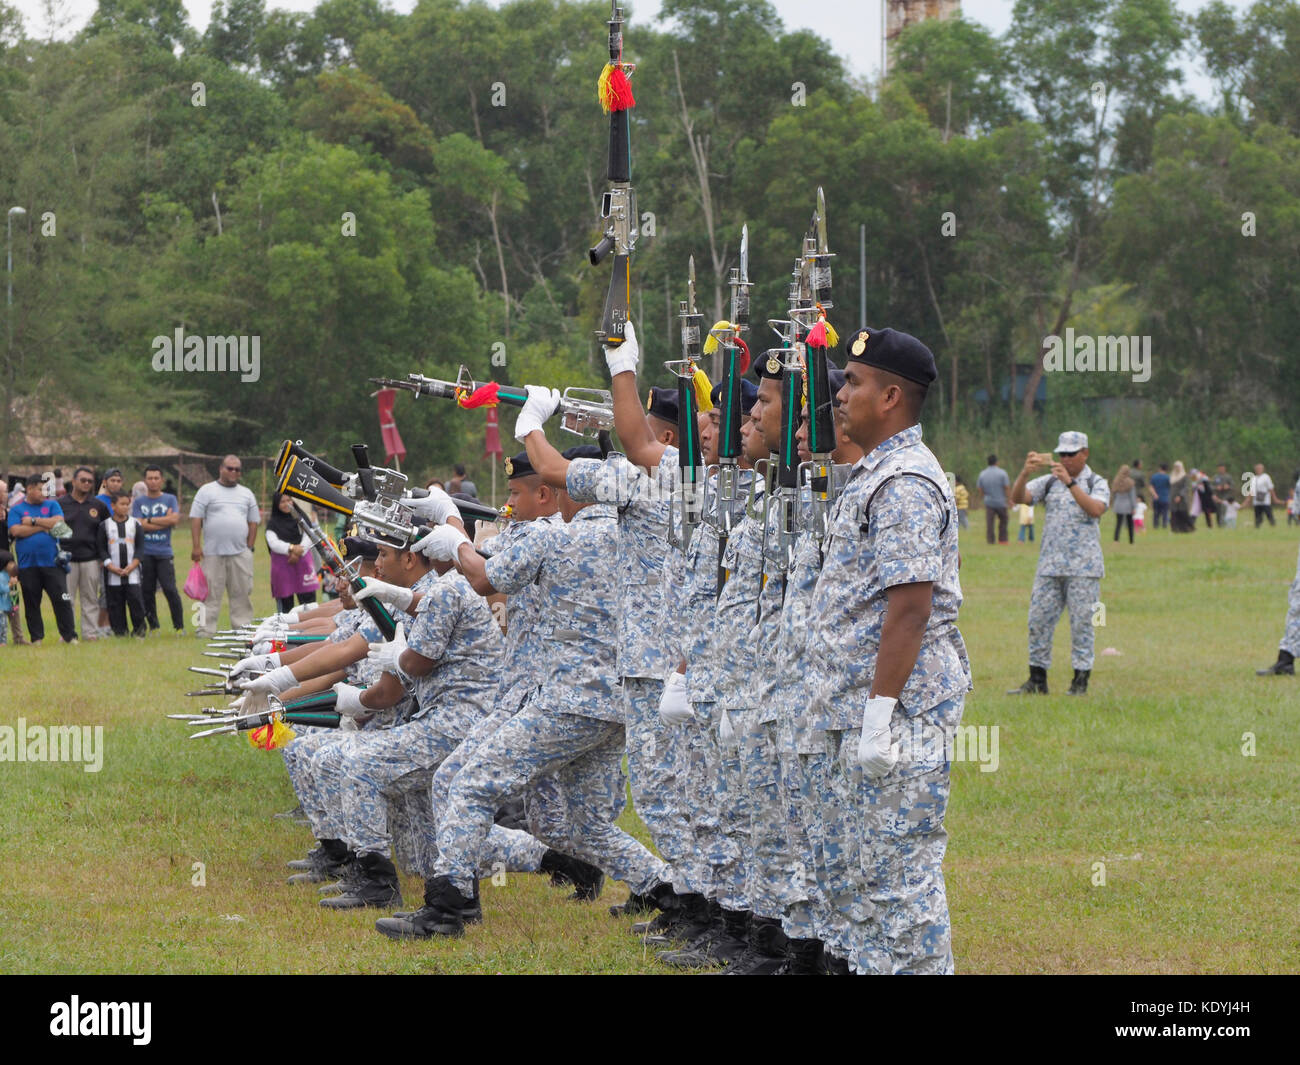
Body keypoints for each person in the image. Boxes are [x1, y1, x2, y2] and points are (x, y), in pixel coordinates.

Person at [803, 326, 970, 974]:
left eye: (855, 382)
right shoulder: (875, 471)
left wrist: (878, 712)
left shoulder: (903, 481)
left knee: (900, 880)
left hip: (900, 713)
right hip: (864, 708)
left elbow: (911, 606)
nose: (841, 394)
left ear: (892, 397)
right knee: (863, 878)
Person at [1007, 431, 1109, 696]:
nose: (1065, 458)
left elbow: (1096, 510)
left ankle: (1080, 681)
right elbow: (1019, 498)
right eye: (1062, 453)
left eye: (1071, 454)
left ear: (1085, 453)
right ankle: (1037, 680)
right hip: (1049, 567)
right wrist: (1024, 474)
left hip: (1083, 569)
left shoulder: (1096, 482)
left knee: (1082, 625)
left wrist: (1071, 484)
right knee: (1037, 621)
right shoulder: (1049, 481)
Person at [189, 455, 260, 637]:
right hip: (212, 552)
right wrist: (196, 546)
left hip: (240, 553)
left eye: (237, 469)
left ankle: (243, 629)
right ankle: (204, 629)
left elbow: (253, 522)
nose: (233, 472)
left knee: (241, 593)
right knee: (208, 594)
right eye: (230, 468)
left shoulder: (246, 493)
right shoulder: (206, 491)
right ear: (221, 468)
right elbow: (196, 519)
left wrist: (249, 547)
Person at [6, 475, 78, 644]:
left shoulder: (52, 505)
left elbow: (59, 524)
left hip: (53, 563)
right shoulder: (16, 509)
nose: (44, 492)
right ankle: (37, 638)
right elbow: (16, 531)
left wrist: (33, 521)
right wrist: (44, 526)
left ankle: (69, 636)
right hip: (27, 565)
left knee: (62, 599)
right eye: (41, 489)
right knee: (32, 603)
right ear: (29, 488)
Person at [59, 466, 111, 640]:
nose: (87, 483)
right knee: (67, 598)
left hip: (91, 559)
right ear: (73, 481)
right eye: (83, 480)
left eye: (90, 481)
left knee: (90, 598)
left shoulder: (99, 506)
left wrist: (104, 556)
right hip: (66, 559)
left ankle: (90, 633)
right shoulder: (60, 504)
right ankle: (68, 634)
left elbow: (107, 531)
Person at [132, 465, 184, 633]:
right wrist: (163, 520)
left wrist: (149, 520)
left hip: (164, 552)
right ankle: (154, 626)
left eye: (156, 478)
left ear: (161, 480)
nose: (153, 481)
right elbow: (138, 525)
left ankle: (179, 626)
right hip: (145, 553)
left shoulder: (170, 499)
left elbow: (174, 520)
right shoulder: (139, 502)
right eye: (150, 478)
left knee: (170, 589)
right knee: (147, 591)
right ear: (145, 481)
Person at [97, 490, 147, 637]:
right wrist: (110, 565)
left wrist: (133, 565)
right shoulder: (105, 526)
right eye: (122, 504)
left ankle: (139, 631)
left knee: (136, 602)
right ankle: (120, 632)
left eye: (127, 504)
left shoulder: (135, 524)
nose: (125, 507)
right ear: (113, 505)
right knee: (115, 604)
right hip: (113, 573)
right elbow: (101, 548)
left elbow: (140, 547)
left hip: (132, 573)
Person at [266, 492, 320, 615]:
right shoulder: (273, 523)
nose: (286, 504)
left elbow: (309, 534)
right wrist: (291, 548)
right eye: (282, 501)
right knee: (285, 604)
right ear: (276, 504)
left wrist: (298, 551)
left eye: (289, 500)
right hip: (283, 566)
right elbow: (273, 542)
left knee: (308, 603)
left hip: (303, 565)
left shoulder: (300, 517)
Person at [977, 453, 1010, 544]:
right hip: (1001, 501)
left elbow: (980, 488)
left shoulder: (982, 474)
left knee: (990, 523)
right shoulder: (1002, 473)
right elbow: (1006, 487)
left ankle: (990, 540)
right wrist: (1008, 499)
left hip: (989, 502)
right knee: (1003, 520)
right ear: (997, 462)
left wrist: (984, 496)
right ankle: (1003, 540)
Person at [1111, 464, 1136, 543]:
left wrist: (1113, 503)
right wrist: (1134, 507)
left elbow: (1113, 494)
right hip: (1128, 504)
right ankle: (1131, 540)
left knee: (1118, 523)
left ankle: (1116, 539)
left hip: (1118, 504)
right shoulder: (1130, 482)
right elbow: (1132, 496)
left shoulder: (1116, 481)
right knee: (1130, 524)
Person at [1169, 461, 1194, 533]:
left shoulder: (1184, 476)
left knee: (1183, 513)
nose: (1177, 468)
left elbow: (1186, 487)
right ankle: (1175, 529)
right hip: (1173, 497)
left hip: (1182, 498)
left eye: (1178, 467)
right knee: (1174, 513)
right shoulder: (1172, 476)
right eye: (1175, 467)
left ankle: (1188, 528)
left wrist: (1180, 496)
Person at [0, 549, 15, 644]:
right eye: (11, 562)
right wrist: (10, 584)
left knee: (4, 625)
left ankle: (3, 642)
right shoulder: (1, 576)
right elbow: (2, 589)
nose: (13, 564)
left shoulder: (8, 575)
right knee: (1, 625)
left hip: (4, 607)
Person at [1150, 463, 1170, 529]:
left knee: (1156, 513)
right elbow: (1170, 487)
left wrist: (1154, 494)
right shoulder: (1167, 477)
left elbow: (1151, 487)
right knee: (1165, 513)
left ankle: (1155, 526)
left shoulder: (1154, 477)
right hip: (1165, 498)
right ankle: (1164, 525)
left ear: (1160, 468)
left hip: (1156, 498)